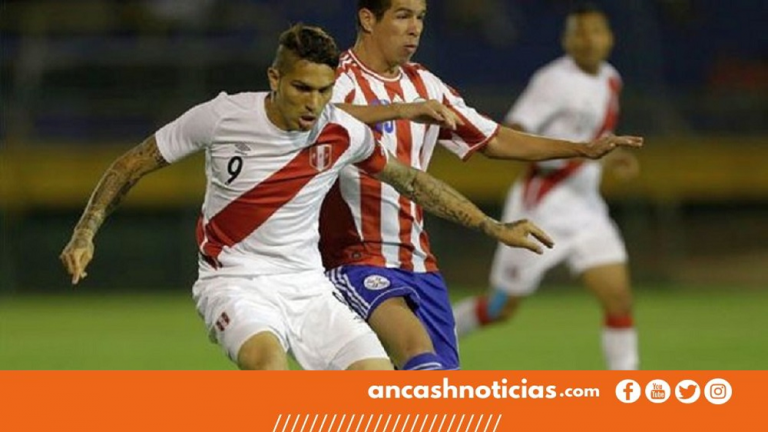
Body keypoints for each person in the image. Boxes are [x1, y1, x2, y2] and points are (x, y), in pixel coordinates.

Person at [59, 24, 554, 371]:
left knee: (378, 385)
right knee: (267, 365)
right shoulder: (223, 116)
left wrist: (492, 226)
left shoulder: (341, 130)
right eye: (301, 88)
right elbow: (132, 163)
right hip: (235, 282)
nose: (313, 104)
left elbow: (413, 181)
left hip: (309, 286)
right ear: (274, 79)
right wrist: (85, 232)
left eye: (324, 91)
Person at [319, 0, 643, 371]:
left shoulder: (425, 85)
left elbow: (495, 138)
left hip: (418, 262)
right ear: (367, 19)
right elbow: (316, 118)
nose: (415, 28)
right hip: (355, 259)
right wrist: (399, 110)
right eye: (403, 16)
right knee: (419, 356)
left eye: (421, 17)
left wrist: (582, 149)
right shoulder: (336, 80)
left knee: (439, 385)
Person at [453, 4, 640, 370]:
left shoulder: (611, 79)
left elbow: (594, 136)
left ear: (609, 38)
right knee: (501, 307)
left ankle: (627, 392)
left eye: (595, 32)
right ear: (567, 40)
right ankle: (429, 342)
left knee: (619, 300)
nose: (588, 40)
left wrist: (613, 157)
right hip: (541, 207)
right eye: (579, 33)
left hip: (587, 209)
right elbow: (515, 130)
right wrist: (561, 153)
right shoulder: (553, 80)